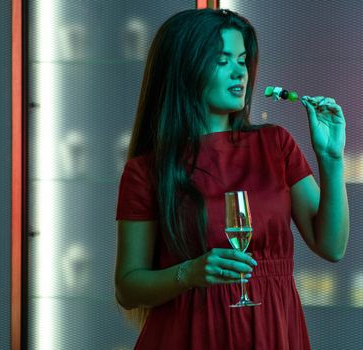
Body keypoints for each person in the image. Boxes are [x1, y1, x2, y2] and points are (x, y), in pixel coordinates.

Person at [115, 8, 349, 350]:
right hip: (189, 336)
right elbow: (127, 287)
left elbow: (332, 246)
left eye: (242, 60)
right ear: (185, 68)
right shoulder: (147, 170)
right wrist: (190, 273)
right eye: (223, 60)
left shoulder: (276, 144)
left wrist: (331, 159)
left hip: (273, 332)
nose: (240, 71)